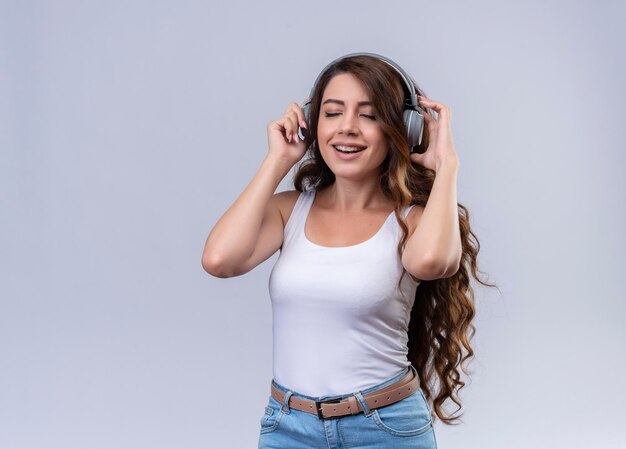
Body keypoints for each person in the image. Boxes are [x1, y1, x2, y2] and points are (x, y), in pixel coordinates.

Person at [201, 52, 496, 449]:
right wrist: (277, 160)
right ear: (312, 123)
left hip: (384, 428)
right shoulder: (290, 210)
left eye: (369, 115)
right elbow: (219, 260)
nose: (347, 129)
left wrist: (448, 166)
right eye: (333, 113)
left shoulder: (410, 220)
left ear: (403, 130)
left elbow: (433, 262)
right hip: (288, 428)